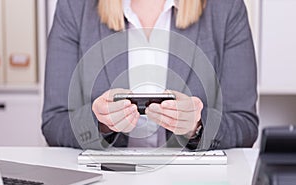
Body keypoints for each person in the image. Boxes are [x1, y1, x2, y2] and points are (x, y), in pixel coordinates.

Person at [42, 0, 259, 150]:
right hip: (107, 184)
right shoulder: (75, 7)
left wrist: (198, 126)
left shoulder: (226, 8)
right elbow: (54, 122)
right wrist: (99, 124)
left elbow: (245, 124)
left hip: (191, 183)